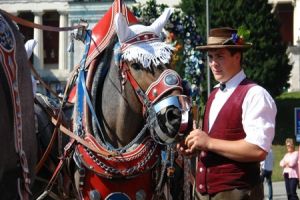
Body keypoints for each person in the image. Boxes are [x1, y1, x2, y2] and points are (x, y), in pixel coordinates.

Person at [177, 27, 277, 200]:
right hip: (205, 193)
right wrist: (196, 147)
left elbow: (257, 150)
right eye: (210, 57)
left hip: (237, 193)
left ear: (237, 56)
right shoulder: (214, 94)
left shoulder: (255, 94)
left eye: (220, 56)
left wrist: (208, 143)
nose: (213, 63)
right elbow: (215, 142)